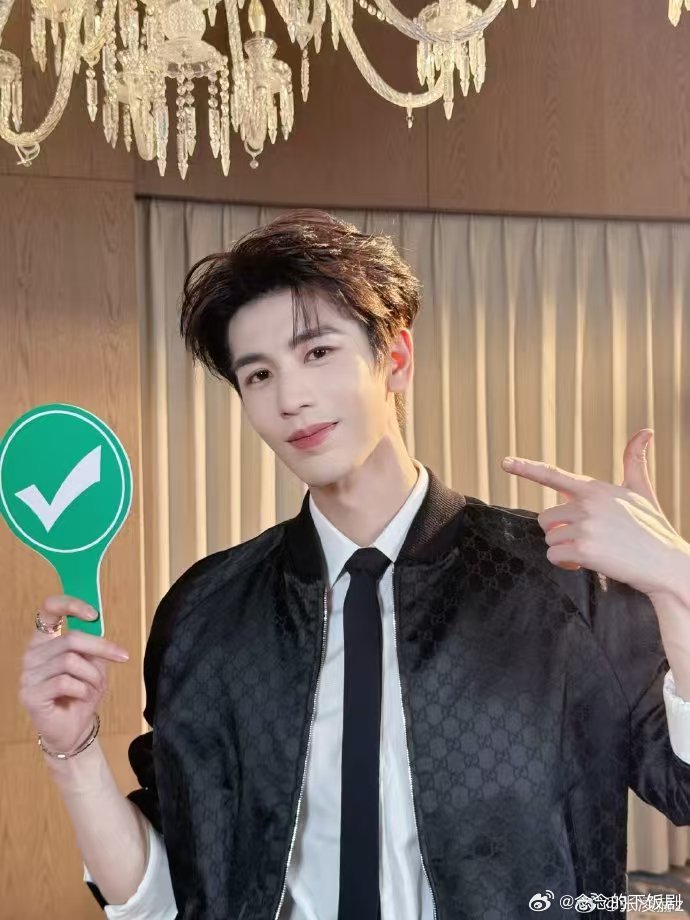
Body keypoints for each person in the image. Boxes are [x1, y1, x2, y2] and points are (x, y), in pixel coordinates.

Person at [18, 209, 690, 920]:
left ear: (395, 360)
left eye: (317, 352)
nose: (291, 398)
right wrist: (73, 750)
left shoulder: (559, 579)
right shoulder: (206, 613)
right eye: (258, 374)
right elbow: (175, 898)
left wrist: (677, 582)